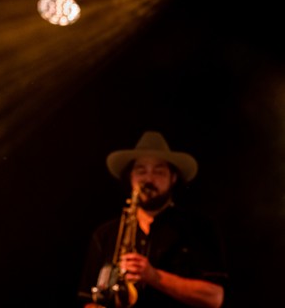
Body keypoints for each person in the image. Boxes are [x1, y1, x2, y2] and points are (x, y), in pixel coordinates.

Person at [78, 131, 228, 308]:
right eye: (141, 170)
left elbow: (214, 298)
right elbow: (88, 300)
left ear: (173, 178)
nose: (148, 179)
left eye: (159, 171)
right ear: (130, 177)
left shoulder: (199, 227)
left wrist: (154, 277)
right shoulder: (105, 234)